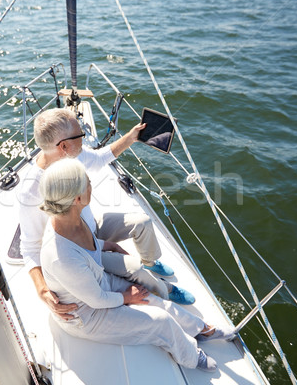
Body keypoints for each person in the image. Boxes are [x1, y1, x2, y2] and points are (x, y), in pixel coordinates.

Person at [38, 158, 234, 372]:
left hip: (98, 283)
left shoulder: (71, 218)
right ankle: (191, 357)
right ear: (76, 198)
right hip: (86, 315)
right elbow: (97, 300)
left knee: (156, 300)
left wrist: (106, 244)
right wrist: (127, 298)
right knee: (160, 321)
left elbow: (89, 250)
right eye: (87, 182)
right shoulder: (62, 257)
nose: (90, 183)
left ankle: (202, 329)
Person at [16, 108, 194, 321]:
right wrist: (42, 290)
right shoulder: (31, 191)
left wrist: (132, 137)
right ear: (63, 146)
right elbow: (29, 247)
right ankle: (163, 289)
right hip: (79, 249)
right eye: (80, 134)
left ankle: (150, 261)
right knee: (133, 272)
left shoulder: (75, 154)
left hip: (93, 229)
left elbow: (101, 158)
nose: (84, 138)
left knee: (142, 222)